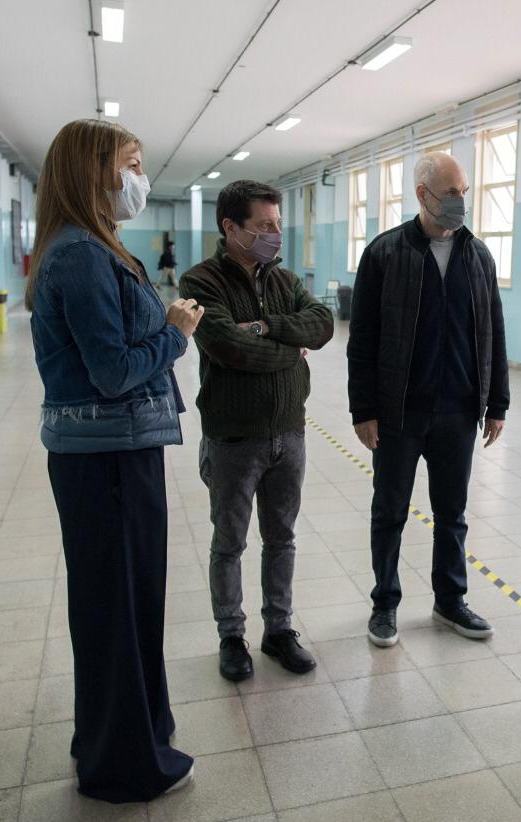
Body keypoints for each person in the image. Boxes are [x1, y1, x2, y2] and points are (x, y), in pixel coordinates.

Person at [27, 119, 202, 801]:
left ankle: (120, 738)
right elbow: (111, 370)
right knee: (118, 608)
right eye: (131, 163)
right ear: (95, 170)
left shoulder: (91, 248)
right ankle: (124, 763)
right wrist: (177, 333)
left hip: (118, 450)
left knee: (122, 605)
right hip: (107, 460)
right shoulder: (81, 257)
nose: (139, 179)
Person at [348, 152, 510, 648]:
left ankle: (450, 600)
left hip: (458, 411)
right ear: (422, 195)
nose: (461, 201)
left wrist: (497, 402)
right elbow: (364, 338)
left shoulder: (477, 255)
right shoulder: (384, 254)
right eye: (452, 192)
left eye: (464, 190)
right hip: (400, 412)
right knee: (390, 511)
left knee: (452, 513)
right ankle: (385, 604)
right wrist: (363, 409)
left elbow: (494, 331)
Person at [179, 180, 334, 683]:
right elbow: (228, 347)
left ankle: (278, 630)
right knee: (229, 541)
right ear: (231, 228)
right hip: (233, 438)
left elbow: (323, 324)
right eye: (263, 226)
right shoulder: (200, 282)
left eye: (277, 225)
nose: (275, 234)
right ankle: (231, 636)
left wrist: (267, 328)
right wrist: (290, 348)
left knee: (281, 538)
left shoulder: (284, 280)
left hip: (289, 433)